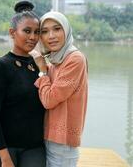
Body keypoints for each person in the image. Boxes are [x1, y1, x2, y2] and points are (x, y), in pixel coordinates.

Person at [0, 0, 46, 167]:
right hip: (0, 146)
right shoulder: (1, 67)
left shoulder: (39, 65)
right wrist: (4, 156)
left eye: (37, 32)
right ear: (12, 32)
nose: (32, 37)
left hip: (33, 146)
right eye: (27, 31)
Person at [34, 11, 88, 167]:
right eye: (44, 31)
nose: (51, 36)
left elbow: (49, 100)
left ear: (66, 30)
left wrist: (42, 71)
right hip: (50, 137)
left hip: (63, 142)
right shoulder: (55, 60)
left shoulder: (74, 59)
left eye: (57, 29)